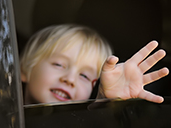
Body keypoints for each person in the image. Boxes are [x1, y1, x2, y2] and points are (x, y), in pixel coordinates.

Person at [20, 24, 168, 105]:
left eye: (84, 76)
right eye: (59, 65)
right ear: (24, 69)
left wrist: (104, 100)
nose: (70, 79)